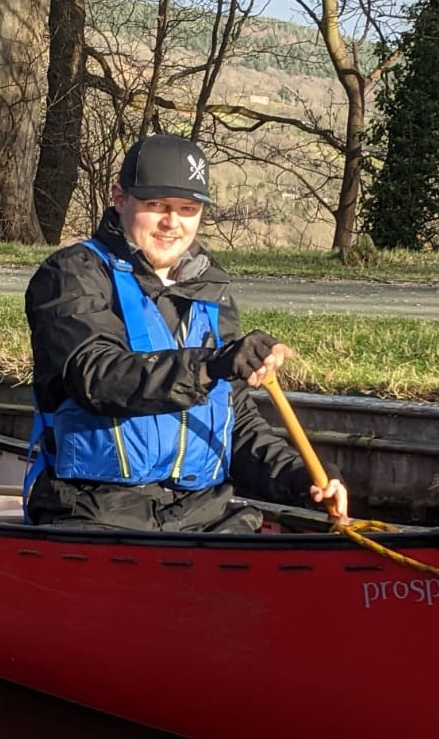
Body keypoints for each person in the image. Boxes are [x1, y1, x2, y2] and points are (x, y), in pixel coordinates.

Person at [22, 133, 348, 532]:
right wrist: (211, 366)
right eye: (155, 205)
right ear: (120, 198)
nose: (171, 223)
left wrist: (299, 477)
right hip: (94, 509)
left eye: (187, 209)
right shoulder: (71, 275)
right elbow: (97, 377)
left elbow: (234, 421)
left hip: (200, 513)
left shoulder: (213, 294)